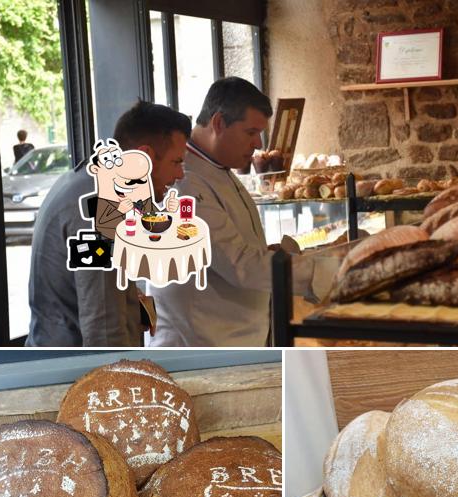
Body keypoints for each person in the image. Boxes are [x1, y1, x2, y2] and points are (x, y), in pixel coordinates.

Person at [148, 77, 331, 346]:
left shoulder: (218, 168)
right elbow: (239, 264)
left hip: (234, 337)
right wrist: (323, 272)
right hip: (202, 343)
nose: (258, 143)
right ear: (219, 122)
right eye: (250, 132)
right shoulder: (184, 180)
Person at [26, 100, 191, 346]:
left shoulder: (85, 181)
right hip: (72, 370)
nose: (180, 175)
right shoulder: (99, 212)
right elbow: (103, 330)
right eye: (176, 162)